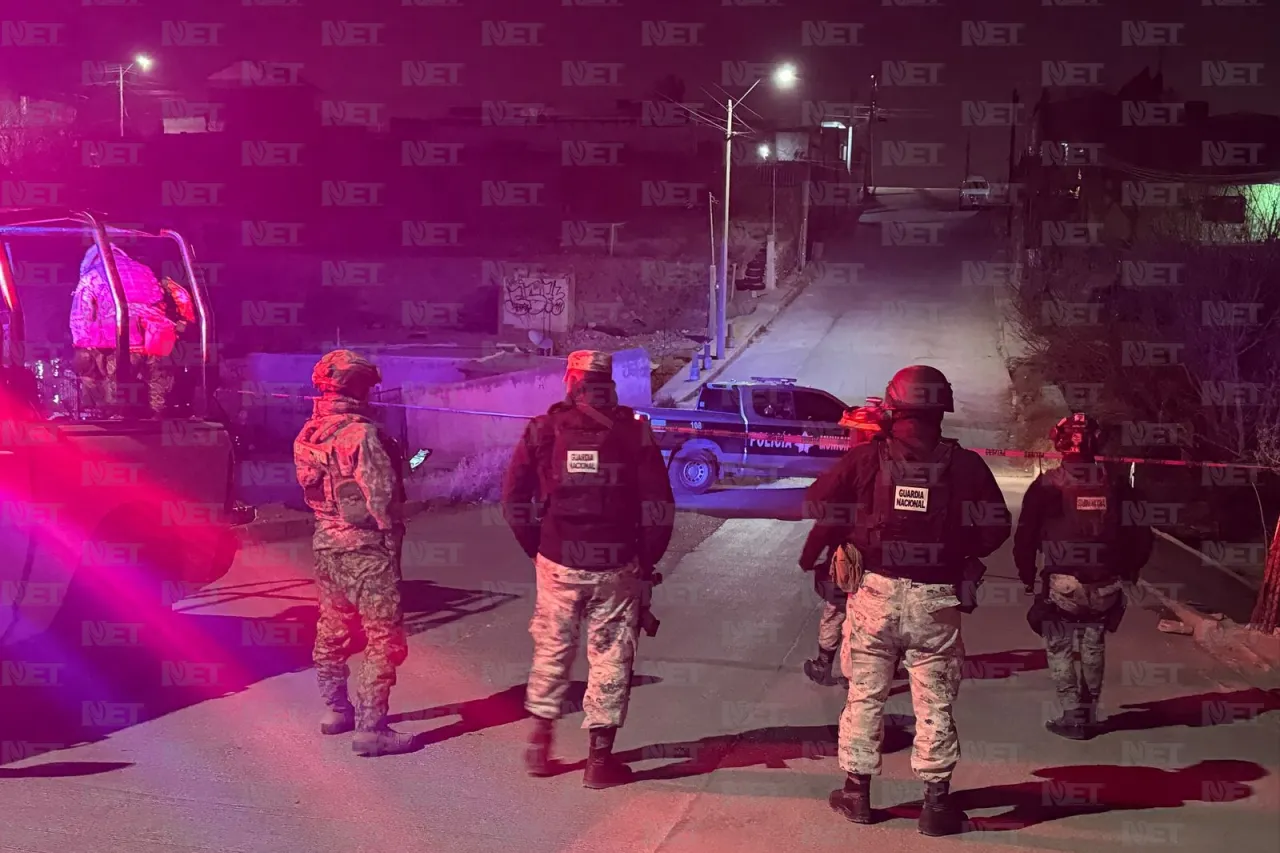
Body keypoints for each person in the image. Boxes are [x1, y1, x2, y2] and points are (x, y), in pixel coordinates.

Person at [801, 365, 1011, 837]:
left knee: (864, 694)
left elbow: (816, 503)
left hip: (874, 594)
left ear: (894, 408)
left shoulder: (866, 459)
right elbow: (997, 528)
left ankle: (856, 794)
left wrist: (854, 528)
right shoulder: (966, 465)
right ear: (942, 410)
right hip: (936, 598)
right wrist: (955, 549)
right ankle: (935, 806)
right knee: (934, 699)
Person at [501, 349, 675, 789]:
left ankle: (540, 744)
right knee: (611, 655)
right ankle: (599, 762)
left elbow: (513, 498)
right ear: (607, 382)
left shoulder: (543, 428)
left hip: (557, 560)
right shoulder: (634, 431)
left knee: (551, 647)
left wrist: (536, 548)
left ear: (571, 380)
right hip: (616, 564)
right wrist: (645, 562)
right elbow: (659, 506)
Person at [293, 349, 413, 757]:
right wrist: (392, 541)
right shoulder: (361, 435)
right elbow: (382, 498)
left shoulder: (309, 432)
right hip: (365, 548)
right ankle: (371, 729)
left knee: (333, 628)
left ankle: (336, 710)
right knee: (384, 636)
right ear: (359, 388)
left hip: (327, 542)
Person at [1015, 412, 1154, 741]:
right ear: (1097, 442)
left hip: (1062, 585)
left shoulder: (1047, 485)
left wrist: (1026, 575)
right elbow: (1142, 535)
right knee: (1093, 644)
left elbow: (1025, 537)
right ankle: (1089, 714)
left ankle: (1072, 715)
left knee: (1060, 646)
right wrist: (1130, 571)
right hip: (1106, 585)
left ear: (1060, 443)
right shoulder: (1117, 484)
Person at [802, 398, 887, 687]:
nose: (848, 436)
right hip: (887, 561)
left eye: (852, 431)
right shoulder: (902, 462)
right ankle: (874, 670)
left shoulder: (854, 464)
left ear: (864, 433)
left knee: (837, 610)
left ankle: (825, 666)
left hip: (850, 558)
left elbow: (822, 507)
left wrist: (810, 555)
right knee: (875, 617)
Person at [69, 244, 176, 416]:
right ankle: (157, 416)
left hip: (119, 336)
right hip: (155, 336)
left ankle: (115, 417)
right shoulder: (144, 270)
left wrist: (84, 346)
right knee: (156, 382)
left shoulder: (93, 275)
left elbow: (81, 315)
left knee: (113, 380)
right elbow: (159, 300)